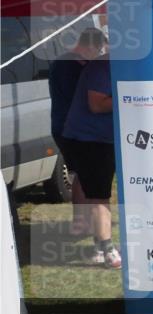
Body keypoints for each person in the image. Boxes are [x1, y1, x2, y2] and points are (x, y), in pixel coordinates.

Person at [60, 55, 120, 268]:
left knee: (96, 192)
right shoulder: (102, 67)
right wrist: (132, 95)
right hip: (88, 139)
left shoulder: (114, 65)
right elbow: (96, 104)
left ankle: (98, 247)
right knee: (98, 195)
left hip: (102, 138)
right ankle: (107, 249)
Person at [48, 27, 107, 234]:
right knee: (85, 176)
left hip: (66, 127)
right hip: (71, 129)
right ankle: (83, 223)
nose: (99, 53)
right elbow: (83, 97)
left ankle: (81, 223)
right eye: (98, 48)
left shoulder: (66, 62)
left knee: (81, 176)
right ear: (90, 45)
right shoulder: (71, 66)